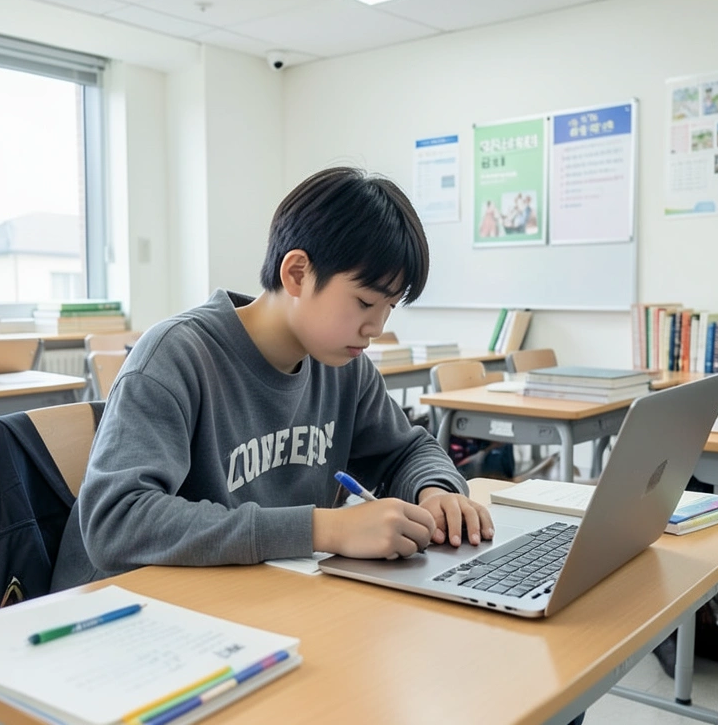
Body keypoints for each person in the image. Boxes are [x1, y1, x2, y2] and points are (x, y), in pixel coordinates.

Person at [51, 167, 494, 591]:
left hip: (256, 595)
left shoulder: (343, 366)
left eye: (389, 307)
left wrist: (435, 491)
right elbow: (116, 523)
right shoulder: (177, 355)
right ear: (297, 273)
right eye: (363, 302)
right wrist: (322, 528)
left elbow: (408, 449)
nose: (376, 327)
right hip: (133, 613)